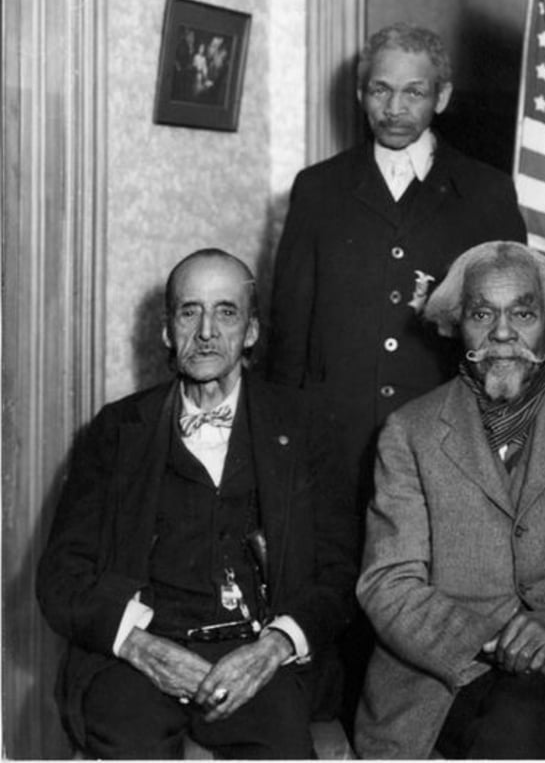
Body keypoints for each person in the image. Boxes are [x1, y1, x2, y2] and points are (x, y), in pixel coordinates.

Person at [37, 249, 359, 758]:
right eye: (190, 311)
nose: (207, 330)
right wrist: (137, 646)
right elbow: (60, 576)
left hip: (256, 654)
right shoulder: (118, 429)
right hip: (141, 659)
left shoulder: (304, 427)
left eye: (226, 312)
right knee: (126, 739)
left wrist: (273, 649)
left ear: (251, 331)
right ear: (168, 330)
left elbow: (340, 572)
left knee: (280, 744)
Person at [354, 241, 545, 759]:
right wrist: (512, 643)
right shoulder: (410, 432)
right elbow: (389, 584)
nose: (502, 333)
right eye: (482, 314)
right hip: (443, 676)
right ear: (456, 325)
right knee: (517, 721)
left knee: (522, 719)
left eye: (522, 312)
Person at [266, 22, 527, 511]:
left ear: (442, 97)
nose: (395, 108)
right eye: (380, 90)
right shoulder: (317, 190)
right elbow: (289, 336)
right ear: (362, 94)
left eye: (414, 92)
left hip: (447, 439)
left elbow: (513, 336)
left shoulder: (487, 193)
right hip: (335, 443)